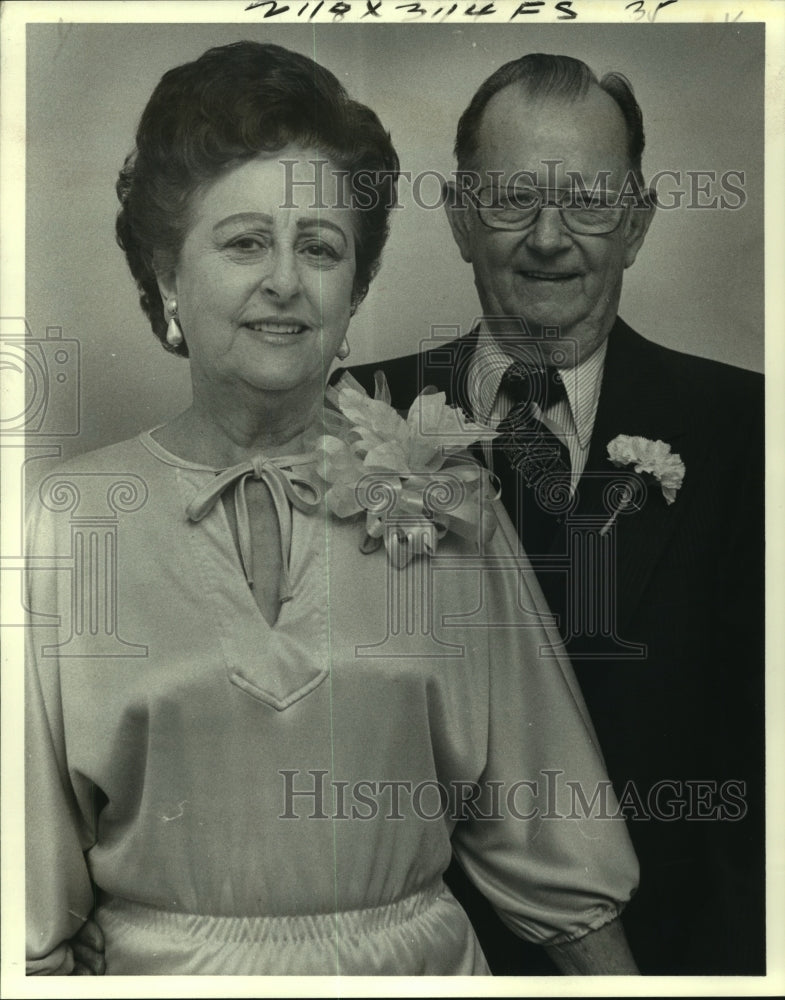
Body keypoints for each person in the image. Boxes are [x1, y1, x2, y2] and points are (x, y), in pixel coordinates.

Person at [25, 41, 641, 976]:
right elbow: (23, 894)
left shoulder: (446, 496)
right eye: (243, 242)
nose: (284, 281)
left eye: (319, 247)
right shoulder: (65, 522)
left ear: (353, 290)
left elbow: (554, 836)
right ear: (166, 278)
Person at [346, 53, 765, 975]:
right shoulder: (344, 418)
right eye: (508, 200)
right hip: (405, 962)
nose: (548, 237)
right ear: (458, 217)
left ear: (638, 222)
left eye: (587, 201)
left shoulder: (751, 435)